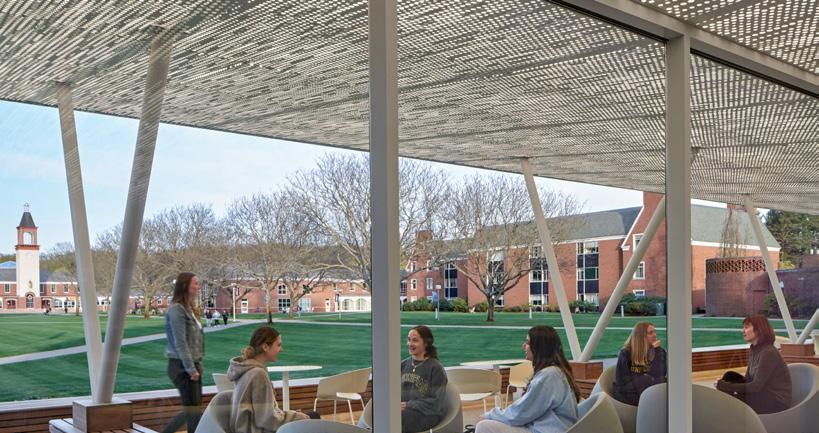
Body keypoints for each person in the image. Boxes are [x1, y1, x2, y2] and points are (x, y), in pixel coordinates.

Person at [476, 325, 579, 433]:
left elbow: (520, 413)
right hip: (545, 428)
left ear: (539, 347)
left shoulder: (549, 376)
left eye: (528, 342)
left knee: (484, 426)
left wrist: (490, 415)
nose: (524, 346)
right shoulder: (555, 372)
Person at [228, 326, 318, 432]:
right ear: (265, 347)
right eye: (278, 345)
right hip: (256, 430)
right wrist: (297, 417)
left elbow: (264, 414)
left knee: (311, 416)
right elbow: (266, 420)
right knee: (313, 418)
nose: (281, 349)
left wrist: (292, 415)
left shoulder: (246, 369)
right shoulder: (258, 374)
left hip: (248, 428)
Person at [716, 314, 791, 414]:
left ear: (759, 329)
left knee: (732, 399)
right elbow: (748, 380)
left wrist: (726, 386)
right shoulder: (754, 350)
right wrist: (727, 385)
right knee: (730, 376)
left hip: (776, 401)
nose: (743, 331)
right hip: (761, 394)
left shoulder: (769, 352)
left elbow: (756, 386)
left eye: (746, 327)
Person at [162, 272, 205, 433]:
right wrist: (191, 369)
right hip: (181, 366)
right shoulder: (177, 310)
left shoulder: (188, 309)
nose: (198, 286)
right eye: (195, 283)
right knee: (192, 411)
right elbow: (180, 342)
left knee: (193, 410)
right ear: (185, 286)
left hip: (193, 364)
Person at [400, 325, 448, 433]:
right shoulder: (403, 365)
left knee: (399, 418)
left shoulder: (436, 368)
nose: (410, 344)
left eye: (415, 340)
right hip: (404, 411)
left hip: (428, 414)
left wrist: (408, 405)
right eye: (409, 340)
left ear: (426, 343)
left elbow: (437, 402)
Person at [612, 322, 667, 405]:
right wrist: (646, 380)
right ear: (641, 336)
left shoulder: (658, 351)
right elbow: (622, 381)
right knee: (645, 380)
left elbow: (660, 374)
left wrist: (657, 351)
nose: (655, 335)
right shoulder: (625, 353)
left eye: (654, 332)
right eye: (650, 333)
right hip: (628, 393)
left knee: (665, 381)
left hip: (648, 390)